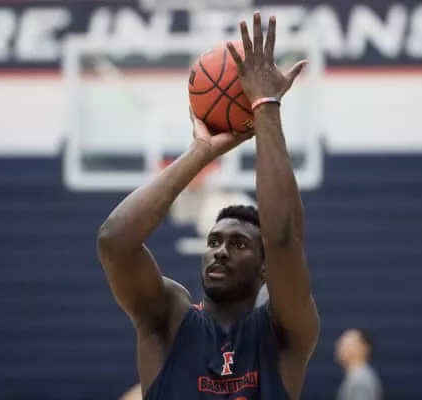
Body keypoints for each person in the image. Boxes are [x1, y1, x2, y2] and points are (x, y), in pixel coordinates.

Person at [97, 12, 320, 400]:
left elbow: (283, 238)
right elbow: (114, 242)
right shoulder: (168, 320)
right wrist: (200, 153)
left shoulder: (282, 333)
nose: (220, 250)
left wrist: (265, 106)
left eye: (239, 244)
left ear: (265, 267)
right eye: (214, 241)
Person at [335, 329, 383, 400]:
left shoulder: (361, 380)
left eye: (346, 344)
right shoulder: (357, 376)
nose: (340, 348)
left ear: (363, 348)